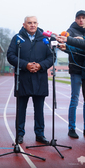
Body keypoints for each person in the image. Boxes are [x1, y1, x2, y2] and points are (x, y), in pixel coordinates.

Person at [7, 16, 53, 144]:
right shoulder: (17, 38)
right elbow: (10, 56)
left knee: (39, 110)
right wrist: (25, 64)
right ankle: (20, 134)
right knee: (21, 109)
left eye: (34, 23)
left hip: (40, 79)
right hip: (22, 79)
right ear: (24, 25)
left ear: (38, 24)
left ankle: (40, 134)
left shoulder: (45, 39)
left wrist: (40, 65)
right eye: (29, 23)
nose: (32, 25)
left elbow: (51, 57)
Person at [57, 10, 85, 138]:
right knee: (74, 99)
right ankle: (71, 128)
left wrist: (81, 40)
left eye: (83, 18)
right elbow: (71, 48)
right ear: (75, 19)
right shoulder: (71, 31)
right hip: (76, 69)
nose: (81, 20)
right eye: (79, 18)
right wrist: (70, 44)